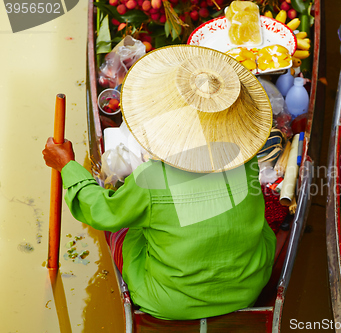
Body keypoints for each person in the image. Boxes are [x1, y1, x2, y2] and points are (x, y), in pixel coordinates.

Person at [42, 45, 277, 321]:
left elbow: (100, 212)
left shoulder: (151, 178)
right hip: (247, 289)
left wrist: (67, 167)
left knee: (121, 229)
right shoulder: (244, 160)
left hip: (168, 301)